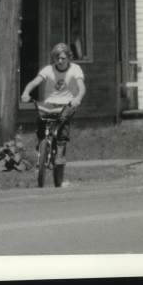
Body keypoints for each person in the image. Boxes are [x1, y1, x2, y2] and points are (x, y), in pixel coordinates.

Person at [20, 42, 86, 187]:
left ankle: (59, 158)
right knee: (41, 120)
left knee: (62, 131)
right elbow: (34, 82)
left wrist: (77, 99)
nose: (60, 61)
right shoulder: (48, 70)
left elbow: (81, 88)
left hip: (67, 104)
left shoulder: (75, 69)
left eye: (63, 58)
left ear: (68, 57)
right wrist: (26, 92)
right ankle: (42, 147)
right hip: (49, 104)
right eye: (57, 58)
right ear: (53, 59)